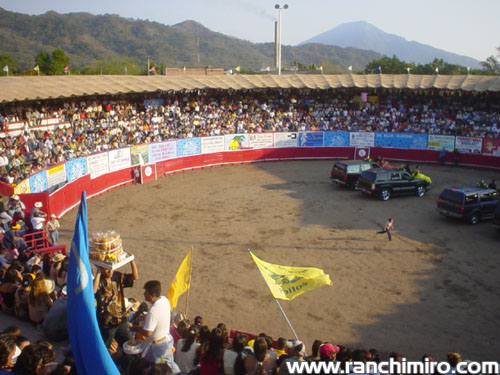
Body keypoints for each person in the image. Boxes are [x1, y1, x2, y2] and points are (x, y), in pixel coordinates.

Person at [93, 257, 139, 349]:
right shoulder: (99, 281)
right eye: (107, 270)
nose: (110, 272)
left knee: (129, 342)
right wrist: (98, 272)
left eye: (111, 269)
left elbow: (134, 277)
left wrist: (132, 261)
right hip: (106, 321)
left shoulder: (117, 276)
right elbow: (93, 291)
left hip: (120, 318)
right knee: (104, 346)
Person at [132, 280, 177, 371]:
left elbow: (148, 333)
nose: (144, 294)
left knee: (158, 369)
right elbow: (159, 317)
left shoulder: (153, 310)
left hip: (158, 346)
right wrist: (145, 317)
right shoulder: (164, 300)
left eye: (146, 293)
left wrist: (136, 328)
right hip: (166, 340)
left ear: (153, 295)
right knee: (170, 365)